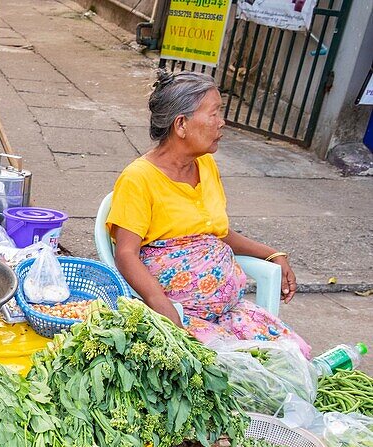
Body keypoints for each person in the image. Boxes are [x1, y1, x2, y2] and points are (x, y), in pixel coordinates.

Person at [107, 69, 309, 357]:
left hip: (228, 311)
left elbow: (219, 231)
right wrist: (163, 308)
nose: (222, 123)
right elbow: (126, 254)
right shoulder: (138, 178)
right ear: (181, 125)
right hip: (179, 314)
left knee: (288, 356)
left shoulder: (206, 166)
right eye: (214, 114)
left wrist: (272, 253)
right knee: (235, 372)